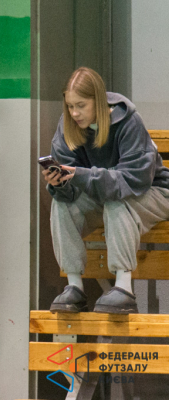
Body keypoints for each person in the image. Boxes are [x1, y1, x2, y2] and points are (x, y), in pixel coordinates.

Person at [43, 67, 169, 314]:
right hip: (107, 194)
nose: (74, 113)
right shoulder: (67, 125)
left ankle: (124, 288)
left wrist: (80, 175)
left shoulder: (128, 120)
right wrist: (60, 184)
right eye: (70, 106)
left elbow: (134, 181)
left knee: (116, 199)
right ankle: (74, 286)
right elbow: (75, 187)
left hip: (154, 193)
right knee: (62, 204)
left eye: (81, 105)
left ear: (99, 101)